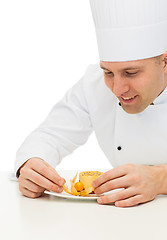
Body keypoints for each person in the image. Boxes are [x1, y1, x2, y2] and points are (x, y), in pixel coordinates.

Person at [15, 0, 167, 207]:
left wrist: (161, 179)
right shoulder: (94, 84)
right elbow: (50, 135)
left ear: (165, 62)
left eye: (131, 73)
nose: (117, 89)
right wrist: (32, 164)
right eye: (108, 72)